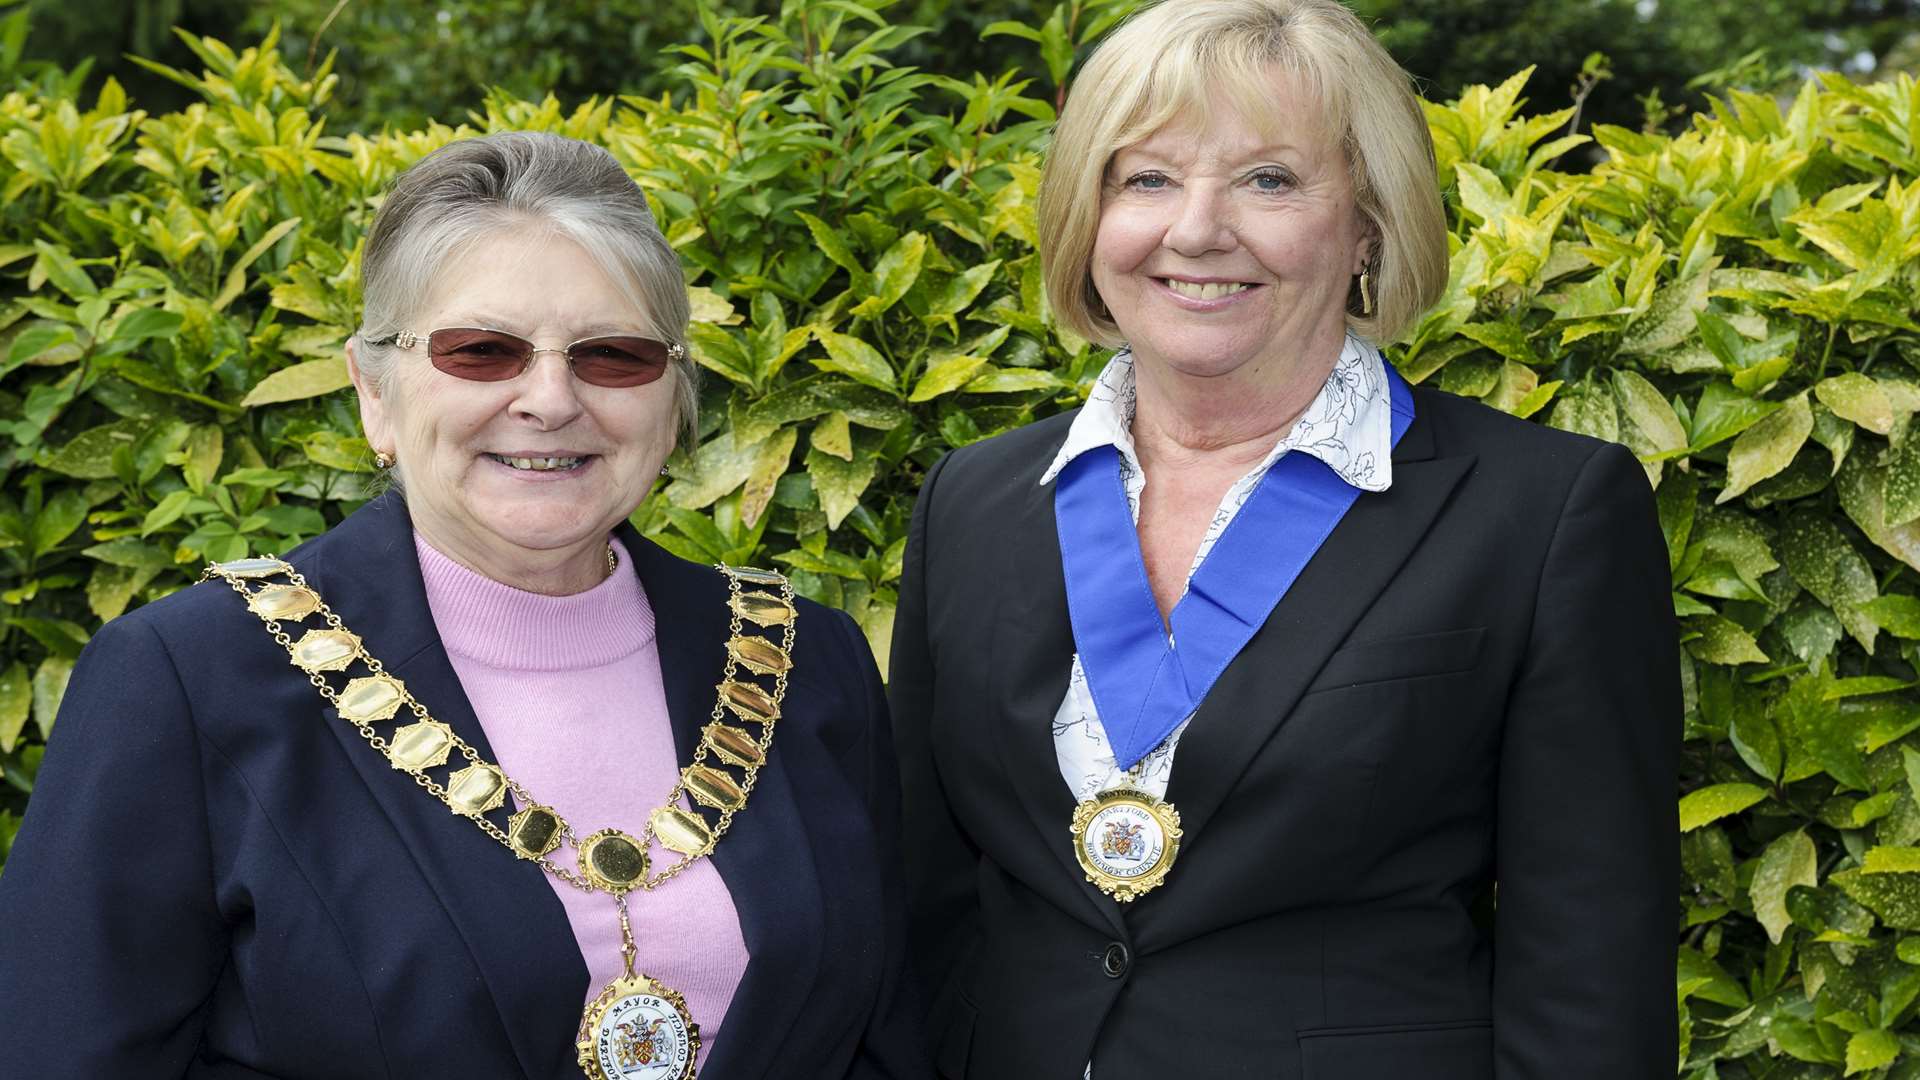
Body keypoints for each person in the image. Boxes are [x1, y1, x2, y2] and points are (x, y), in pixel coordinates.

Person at [0, 131, 925, 1080]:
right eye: (483, 351)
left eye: (612, 355)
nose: (551, 399)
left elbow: (894, 1034)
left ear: (675, 395)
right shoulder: (190, 680)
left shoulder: (804, 660)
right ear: (375, 392)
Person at [887, 2, 1679, 1077]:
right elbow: (926, 906)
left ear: (1368, 225)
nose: (1198, 229)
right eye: (1146, 178)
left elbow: (1590, 968)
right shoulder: (975, 499)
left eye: (1268, 180)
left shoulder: (1544, 514)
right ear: (1088, 215)